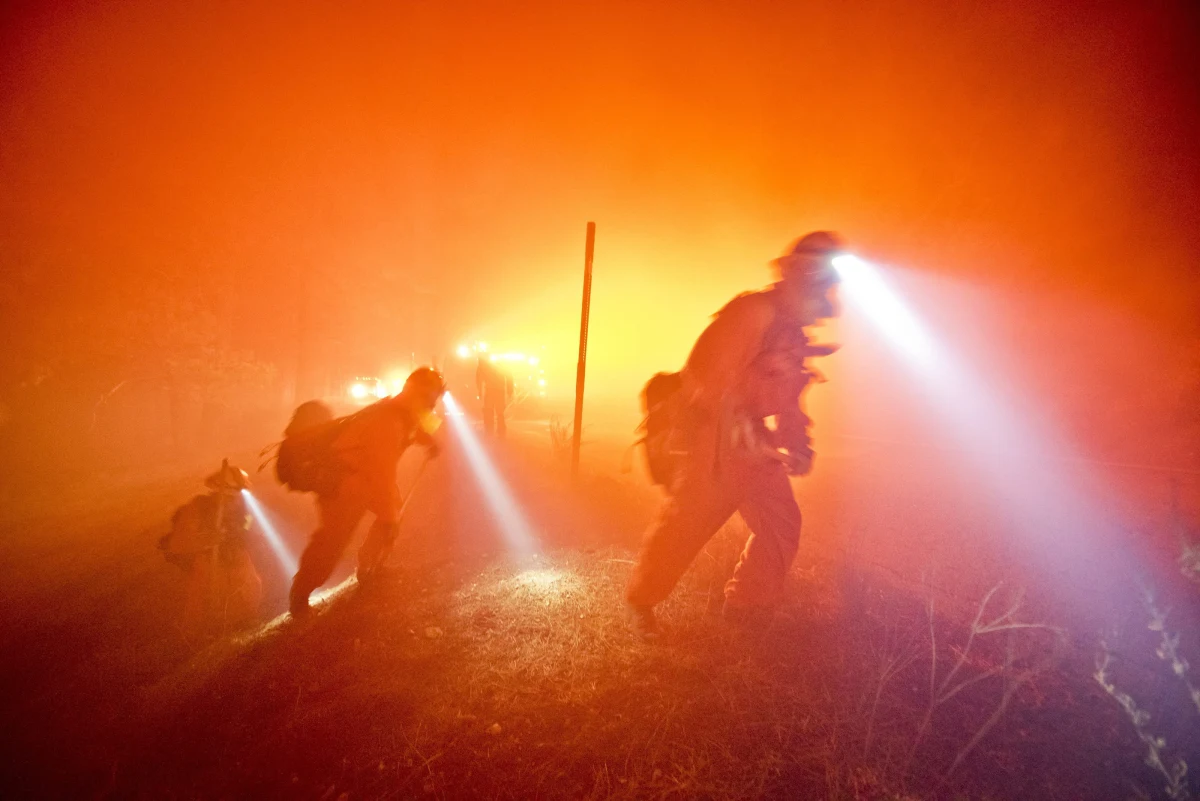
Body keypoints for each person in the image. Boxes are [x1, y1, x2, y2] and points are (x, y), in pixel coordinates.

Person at [625, 231, 843, 638]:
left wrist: (798, 445)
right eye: (822, 279)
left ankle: (747, 605)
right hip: (714, 438)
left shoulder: (792, 336)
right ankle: (643, 603)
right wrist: (737, 428)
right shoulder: (752, 313)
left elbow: (790, 402)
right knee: (687, 526)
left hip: (754, 445)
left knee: (780, 523)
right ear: (802, 275)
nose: (826, 293)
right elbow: (706, 375)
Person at [288, 367, 445, 617]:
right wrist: (389, 516)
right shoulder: (388, 420)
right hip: (344, 485)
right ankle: (300, 596)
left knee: (391, 511)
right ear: (416, 391)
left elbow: (415, 429)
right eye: (431, 397)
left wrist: (430, 441)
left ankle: (370, 567)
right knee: (332, 543)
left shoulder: (402, 410)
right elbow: (382, 472)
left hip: (362, 480)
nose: (432, 404)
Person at [160, 460, 263, 639]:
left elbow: (247, 527)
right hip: (208, 560)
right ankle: (198, 636)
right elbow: (179, 543)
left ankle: (245, 623)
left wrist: (240, 535)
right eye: (232, 495)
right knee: (204, 598)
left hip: (235, 555)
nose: (236, 500)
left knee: (250, 587)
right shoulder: (199, 508)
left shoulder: (242, 507)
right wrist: (207, 540)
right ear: (220, 490)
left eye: (239, 494)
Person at [476, 356, 514, 437]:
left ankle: (489, 431)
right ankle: (501, 431)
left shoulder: (483, 367)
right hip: (499, 391)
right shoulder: (501, 366)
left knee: (489, 410)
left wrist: (480, 392)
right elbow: (509, 377)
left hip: (490, 391)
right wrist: (509, 390)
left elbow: (479, 380)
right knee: (499, 412)